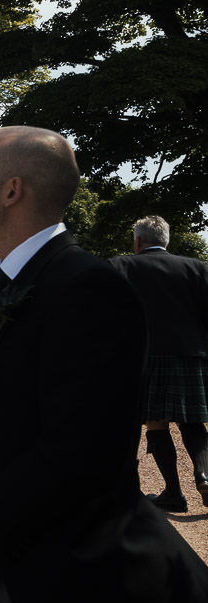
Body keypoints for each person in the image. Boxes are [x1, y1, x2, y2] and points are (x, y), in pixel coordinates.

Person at [0, 125, 208, 603]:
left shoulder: (88, 287)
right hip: (3, 566)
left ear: (11, 191)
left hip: (73, 589)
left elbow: (82, 451)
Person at [109, 215, 208, 513]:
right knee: (193, 421)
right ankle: (205, 475)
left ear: (138, 241)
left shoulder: (122, 265)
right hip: (192, 355)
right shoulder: (197, 267)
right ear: (167, 241)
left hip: (145, 355)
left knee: (155, 421)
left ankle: (174, 493)